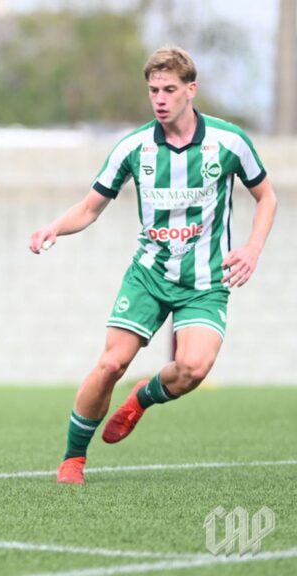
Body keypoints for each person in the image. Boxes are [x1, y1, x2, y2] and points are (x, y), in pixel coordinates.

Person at [29, 46, 277, 484]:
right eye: (152, 91)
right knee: (110, 364)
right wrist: (54, 227)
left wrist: (252, 249)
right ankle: (73, 459)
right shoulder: (134, 146)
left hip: (204, 281)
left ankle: (141, 400)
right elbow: (90, 207)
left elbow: (266, 196)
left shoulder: (229, 141)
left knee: (193, 369)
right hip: (149, 275)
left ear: (190, 90)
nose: (159, 99)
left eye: (168, 89)